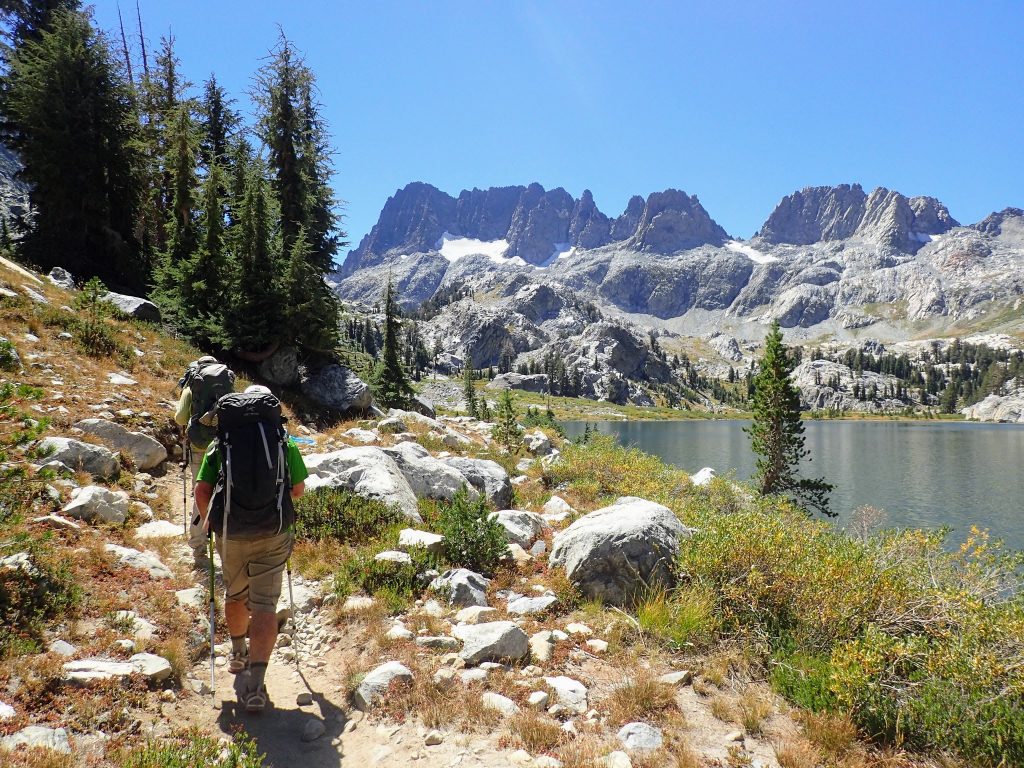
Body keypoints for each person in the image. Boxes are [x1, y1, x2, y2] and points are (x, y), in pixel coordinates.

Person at [193, 384, 308, 713]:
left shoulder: (223, 444)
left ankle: (238, 651)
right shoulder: (284, 443)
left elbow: (202, 490)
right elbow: (297, 490)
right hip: (273, 533)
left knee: (235, 593)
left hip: (231, 534)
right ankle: (256, 684)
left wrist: (209, 522)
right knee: (265, 606)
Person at [174, 356, 235, 568]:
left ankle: (198, 546)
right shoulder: (227, 386)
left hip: (200, 447)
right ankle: (226, 543)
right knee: (225, 492)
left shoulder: (192, 387)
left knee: (200, 493)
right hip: (223, 445)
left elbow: (180, 418)